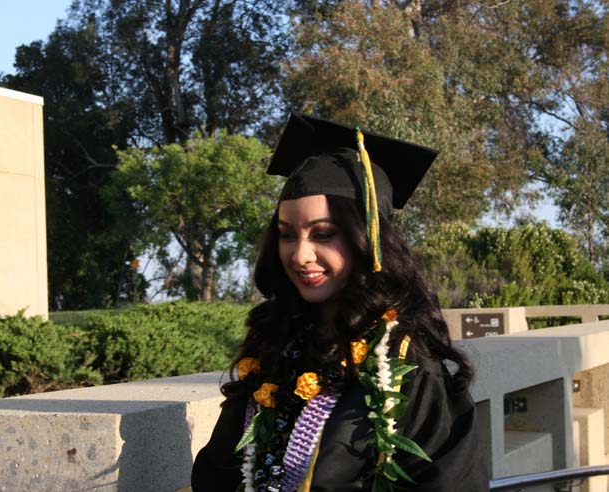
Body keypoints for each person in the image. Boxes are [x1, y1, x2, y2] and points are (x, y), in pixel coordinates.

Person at [191, 114, 489, 492]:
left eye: (323, 234)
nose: (300, 255)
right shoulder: (276, 346)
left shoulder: (405, 364)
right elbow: (218, 471)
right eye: (286, 235)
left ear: (366, 240)